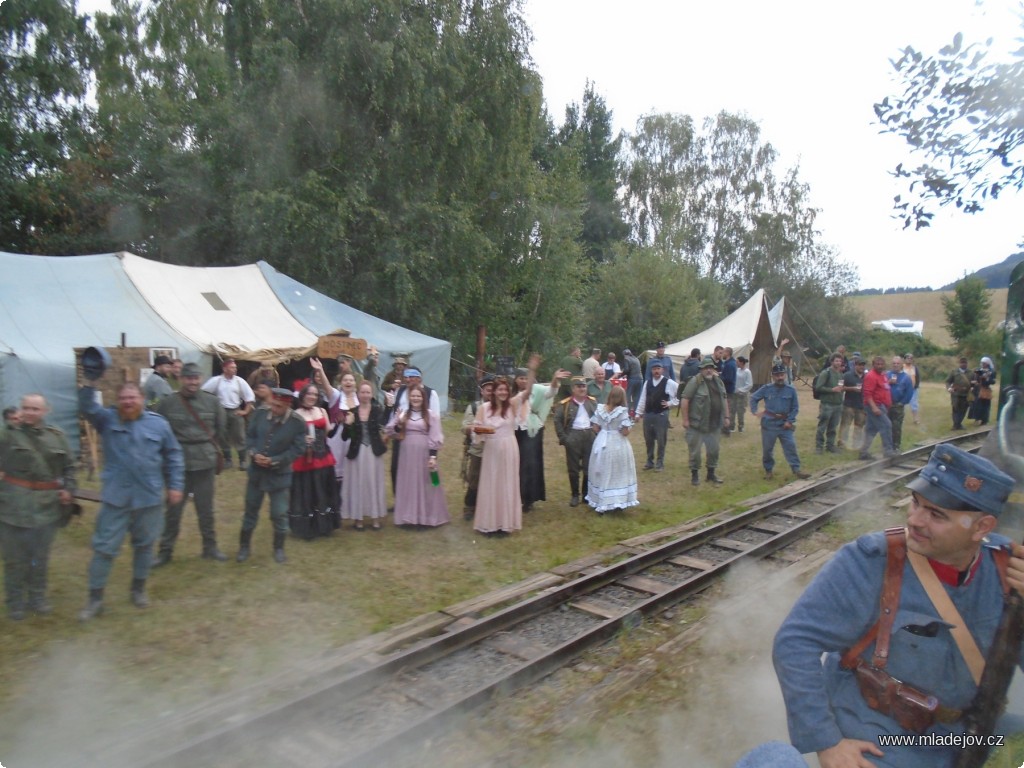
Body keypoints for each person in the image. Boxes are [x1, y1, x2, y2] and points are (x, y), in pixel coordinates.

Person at [773, 444, 1020, 768]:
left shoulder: (1006, 568)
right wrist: (826, 742)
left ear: (982, 528)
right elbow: (794, 642)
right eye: (916, 503)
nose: (915, 520)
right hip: (881, 737)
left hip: (968, 732)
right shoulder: (871, 562)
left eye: (936, 515)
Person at [78, 382, 184, 620]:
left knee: (145, 546)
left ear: (142, 398)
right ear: (118, 400)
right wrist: (90, 382)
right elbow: (86, 406)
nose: (128, 402)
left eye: (133, 397)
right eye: (123, 398)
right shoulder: (107, 420)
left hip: (148, 497)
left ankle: (138, 589)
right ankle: (95, 600)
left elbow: (173, 454)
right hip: (117, 498)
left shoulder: (159, 424)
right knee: (104, 549)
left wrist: (175, 485)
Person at [0, 394, 76, 619]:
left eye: (34, 409)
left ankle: (37, 597)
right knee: (14, 558)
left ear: (45, 411)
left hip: (46, 508)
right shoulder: (7, 436)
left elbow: (69, 469)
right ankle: (15, 602)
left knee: (39, 556)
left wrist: (68, 490)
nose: (29, 412)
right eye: (25, 408)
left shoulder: (57, 437)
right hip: (14, 507)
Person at [153, 362, 229, 566]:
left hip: (204, 463)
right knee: (173, 511)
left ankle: (210, 548)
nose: (192, 382)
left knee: (206, 509)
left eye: (196, 378)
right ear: (181, 379)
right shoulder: (168, 403)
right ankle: (165, 552)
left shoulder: (212, 403)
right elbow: (158, 429)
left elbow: (221, 430)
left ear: (201, 379)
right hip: (178, 464)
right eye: (188, 378)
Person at [237, 387, 308, 564]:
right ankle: (244, 547)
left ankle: (279, 548)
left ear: (288, 405)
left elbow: (298, 449)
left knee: (279, 514)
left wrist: (275, 460)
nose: (274, 409)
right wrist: (253, 453)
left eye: (279, 407)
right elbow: (250, 436)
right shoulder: (260, 413)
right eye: (273, 405)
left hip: (279, 475)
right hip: (256, 473)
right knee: (250, 510)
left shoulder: (298, 423)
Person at [474, 360, 539, 534]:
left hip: (509, 448)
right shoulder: (484, 408)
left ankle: (505, 524)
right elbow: (476, 428)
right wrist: (479, 431)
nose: (502, 392)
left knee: (507, 484)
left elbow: (528, 391)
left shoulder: (512, 405)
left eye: (505, 389)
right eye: (499, 389)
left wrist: (531, 370)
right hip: (491, 450)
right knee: (491, 483)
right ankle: (489, 523)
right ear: (493, 392)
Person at [387, 385, 449, 528]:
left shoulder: (431, 415)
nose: (415, 398)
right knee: (409, 482)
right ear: (409, 398)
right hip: (407, 454)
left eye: (418, 396)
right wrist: (399, 424)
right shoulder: (403, 414)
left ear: (423, 398)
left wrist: (433, 456)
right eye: (413, 396)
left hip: (425, 454)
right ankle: (409, 516)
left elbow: (435, 435)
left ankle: (428, 516)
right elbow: (391, 432)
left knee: (431, 482)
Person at [287, 383, 340, 539]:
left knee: (322, 490)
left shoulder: (322, 410)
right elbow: (290, 437)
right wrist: (302, 439)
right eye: (309, 394)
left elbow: (328, 433)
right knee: (306, 492)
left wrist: (343, 423)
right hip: (304, 458)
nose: (312, 397)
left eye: (315, 395)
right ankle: (307, 528)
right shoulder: (295, 414)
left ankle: (324, 525)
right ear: (303, 395)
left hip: (323, 456)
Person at [513, 365, 564, 514]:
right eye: (520, 378)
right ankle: (514, 496)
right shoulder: (510, 392)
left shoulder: (536, 389)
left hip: (532, 431)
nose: (523, 381)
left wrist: (554, 379)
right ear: (515, 380)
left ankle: (528, 499)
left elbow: (551, 392)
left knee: (530, 465)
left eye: (526, 378)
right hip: (514, 431)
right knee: (515, 463)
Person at [340, 381, 388, 531]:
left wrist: (390, 407)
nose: (365, 395)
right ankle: (358, 518)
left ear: (372, 394)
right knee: (358, 484)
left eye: (368, 392)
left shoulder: (377, 410)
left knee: (373, 483)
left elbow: (385, 425)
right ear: (358, 394)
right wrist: (348, 425)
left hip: (373, 452)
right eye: (363, 392)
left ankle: (375, 517)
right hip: (358, 451)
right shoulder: (352, 412)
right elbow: (345, 437)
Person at [750, 364, 810, 481]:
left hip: (784, 424)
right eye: (777, 375)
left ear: (785, 375)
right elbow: (753, 398)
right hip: (769, 424)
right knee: (767, 450)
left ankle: (796, 469)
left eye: (782, 375)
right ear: (773, 376)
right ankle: (768, 471)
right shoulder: (767, 388)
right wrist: (755, 411)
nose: (780, 377)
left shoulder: (791, 390)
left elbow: (795, 408)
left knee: (790, 446)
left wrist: (790, 420)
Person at [585, 386, 638, 514]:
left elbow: (595, 428)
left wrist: (605, 429)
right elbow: (625, 432)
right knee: (617, 472)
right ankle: (616, 502)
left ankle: (600, 500)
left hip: (601, 442)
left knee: (602, 471)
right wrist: (629, 427)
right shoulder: (622, 412)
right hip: (617, 444)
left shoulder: (600, 409)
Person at [680, 357, 730, 486]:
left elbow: (724, 399)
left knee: (714, 450)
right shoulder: (695, 381)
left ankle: (711, 474)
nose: (708, 370)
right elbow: (685, 400)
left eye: (711, 368)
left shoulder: (719, 382)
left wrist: (726, 417)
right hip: (697, 425)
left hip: (714, 424)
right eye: (706, 368)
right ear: (701, 369)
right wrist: (685, 420)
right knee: (695, 452)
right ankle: (695, 475)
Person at [202, 358, 256, 470]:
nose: (235, 369)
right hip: (221, 411)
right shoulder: (216, 380)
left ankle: (242, 461)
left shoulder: (239, 381)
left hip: (235, 411)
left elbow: (249, 397)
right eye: (232, 367)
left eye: (235, 367)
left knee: (239, 436)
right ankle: (228, 460)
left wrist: (245, 411)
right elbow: (203, 393)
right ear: (225, 369)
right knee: (222, 436)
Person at [553, 376, 598, 504]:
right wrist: (564, 438)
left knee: (588, 466)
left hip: (589, 435)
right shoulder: (566, 404)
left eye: (583, 386)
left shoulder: (592, 402)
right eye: (579, 386)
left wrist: (596, 434)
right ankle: (574, 495)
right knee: (573, 468)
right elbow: (557, 420)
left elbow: (599, 417)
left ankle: (585, 494)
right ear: (573, 389)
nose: (582, 389)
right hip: (573, 435)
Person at [461, 374, 495, 520]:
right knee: (474, 479)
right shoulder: (474, 407)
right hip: (478, 450)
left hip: (496, 450)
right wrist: (479, 429)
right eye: (488, 390)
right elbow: (464, 427)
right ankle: (469, 507)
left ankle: (489, 506)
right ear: (482, 391)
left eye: (494, 390)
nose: (491, 393)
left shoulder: (501, 407)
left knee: (493, 480)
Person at [635, 361, 679, 472]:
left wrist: (670, 403)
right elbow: (643, 399)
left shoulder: (669, 383)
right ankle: (649, 461)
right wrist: (638, 413)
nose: (656, 371)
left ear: (662, 370)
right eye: (654, 369)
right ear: (651, 370)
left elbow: (680, 394)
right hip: (649, 414)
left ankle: (660, 463)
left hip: (661, 415)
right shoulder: (647, 383)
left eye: (658, 368)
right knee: (648, 439)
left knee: (661, 440)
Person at [860, 355, 897, 460]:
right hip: (875, 405)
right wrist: (874, 408)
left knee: (871, 429)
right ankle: (888, 450)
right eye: (877, 364)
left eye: (881, 364)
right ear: (873, 365)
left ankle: (863, 452)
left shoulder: (883, 375)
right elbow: (867, 394)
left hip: (882, 405)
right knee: (887, 425)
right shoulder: (871, 376)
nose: (880, 366)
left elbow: (884, 388)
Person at [812, 353, 845, 454]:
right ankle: (819, 447)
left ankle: (830, 445)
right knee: (822, 426)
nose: (838, 363)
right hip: (827, 404)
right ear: (832, 362)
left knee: (833, 427)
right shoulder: (826, 373)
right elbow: (818, 387)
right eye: (836, 361)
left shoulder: (840, 374)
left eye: (840, 361)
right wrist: (831, 390)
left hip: (838, 404)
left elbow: (841, 387)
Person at [838, 357, 867, 450]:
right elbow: (840, 387)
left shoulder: (867, 376)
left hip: (862, 405)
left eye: (863, 365)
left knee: (859, 426)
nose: (861, 367)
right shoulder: (847, 375)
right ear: (855, 365)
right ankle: (842, 444)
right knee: (845, 424)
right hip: (849, 405)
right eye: (859, 365)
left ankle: (856, 444)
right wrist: (852, 388)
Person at [887, 355, 915, 450]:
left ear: (901, 364)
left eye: (897, 363)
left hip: (898, 405)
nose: (895, 365)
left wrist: (902, 402)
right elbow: (881, 386)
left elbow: (909, 392)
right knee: (886, 426)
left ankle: (896, 445)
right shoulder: (887, 375)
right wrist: (888, 382)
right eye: (894, 363)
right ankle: (887, 445)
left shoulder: (906, 377)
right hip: (886, 404)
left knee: (896, 426)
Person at [968, 356, 996, 426]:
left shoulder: (991, 371)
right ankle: (976, 419)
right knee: (976, 405)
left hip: (985, 389)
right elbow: (973, 378)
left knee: (985, 406)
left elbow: (993, 381)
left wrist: (986, 379)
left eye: (984, 363)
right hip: (976, 389)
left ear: (987, 363)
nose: (982, 364)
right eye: (982, 363)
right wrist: (972, 384)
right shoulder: (978, 370)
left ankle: (984, 420)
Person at [946, 356, 972, 430]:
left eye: (965, 363)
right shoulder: (954, 372)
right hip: (956, 394)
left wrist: (974, 385)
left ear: (967, 364)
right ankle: (956, 424)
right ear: (959, 364)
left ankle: (958, 423)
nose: (963, 364)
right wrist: (949, 388)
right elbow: (948, 381)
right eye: (962, 363)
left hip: (966, 394)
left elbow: (974, 382)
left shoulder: (971, 373)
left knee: (963, 410)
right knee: (955, 409)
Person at [719, 347, 737, 437]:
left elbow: (729, 379)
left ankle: (726, 431)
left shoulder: (730, 364)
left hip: (728, 391)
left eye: (723, 352)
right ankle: (723, 429)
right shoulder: (727, 363)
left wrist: (718, 376)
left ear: (727, 353)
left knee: (727, 410)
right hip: (726, 390)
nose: (722, 354)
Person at [732, 355, 753, 433]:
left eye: (737, 361)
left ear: (741, 362)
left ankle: (741, 426)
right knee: (732, 410)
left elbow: (749, 384)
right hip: (734, 393)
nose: (736, 363)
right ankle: (732, 426)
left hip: (742, 395)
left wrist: (741, 390)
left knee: (740, 411)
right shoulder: (737, 370)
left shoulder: (747, 372)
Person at [622, 349, 644, 418]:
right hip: (640, 379)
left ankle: (627, 414)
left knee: (627, 397)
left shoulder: (626, 359)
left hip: (632, 379)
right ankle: (636, 414)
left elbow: (626, 370)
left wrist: (622, 374)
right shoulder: (636, 359)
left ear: (624, 354)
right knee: (637, 397)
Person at [903, 353, 921, 425]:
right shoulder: (902, 367)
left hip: (913, 390)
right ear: (904, 359)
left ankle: (915, 419)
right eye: (908, 358)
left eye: (911, 358)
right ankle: (901, 419)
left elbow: (918, 378)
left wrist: (916, 385)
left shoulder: (914, 368)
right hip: (903, 389)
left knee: (914, 404)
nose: (909, 360)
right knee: (902, 404)